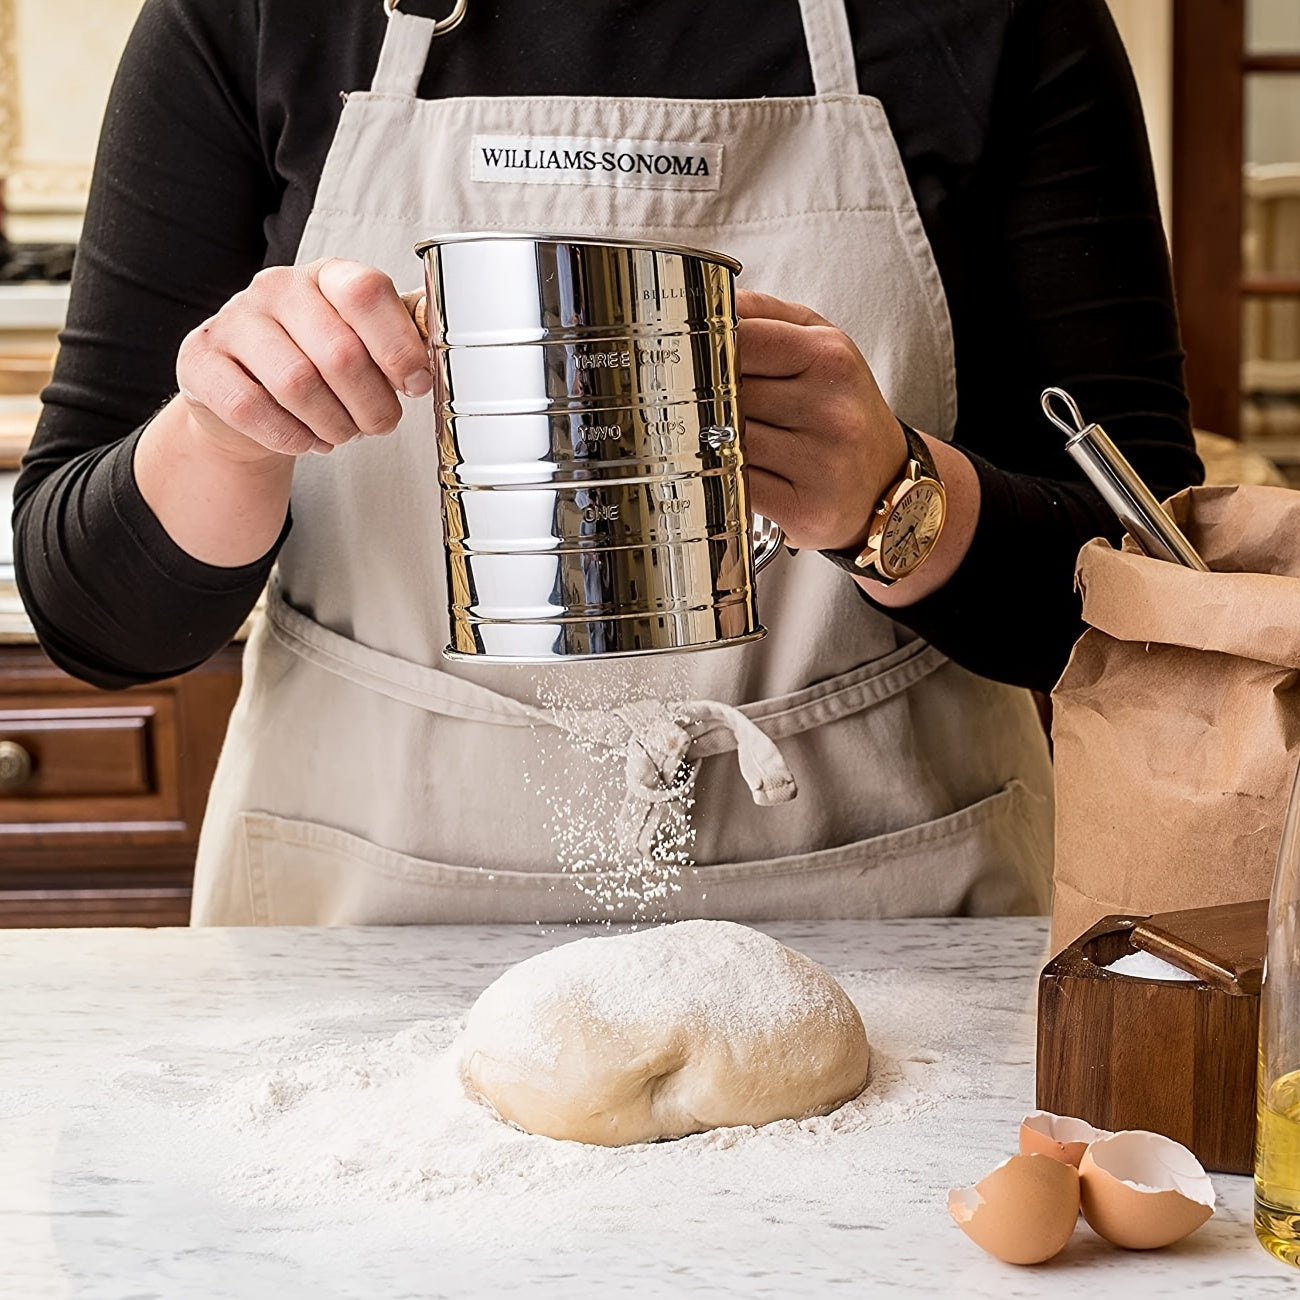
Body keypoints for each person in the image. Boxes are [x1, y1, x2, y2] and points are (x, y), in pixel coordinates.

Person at [12, 0, 1202, 926]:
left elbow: (1156, 610)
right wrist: (226, 431)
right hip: (367, 913)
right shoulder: (252, 15)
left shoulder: (1000, 16)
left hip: (892, 902)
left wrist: (898, 501)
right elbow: (95, 617)